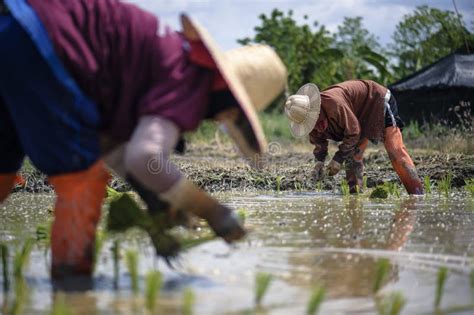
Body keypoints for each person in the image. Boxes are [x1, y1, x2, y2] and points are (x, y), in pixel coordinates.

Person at [0, 0, 287, 279]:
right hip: (40, 42)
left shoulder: (160, 57)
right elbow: (145, 158)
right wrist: (213, 212)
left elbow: (111, 147)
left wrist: (155, 200)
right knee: (81, 179)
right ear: (231, 107)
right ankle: (73, 290)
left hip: (12, 24)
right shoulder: (187, 80)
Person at [284, 80, 423, 195]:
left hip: (375, 100)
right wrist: (319, 162)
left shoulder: (334, 104)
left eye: (316, 120)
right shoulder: (311, 126)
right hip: (356, 117)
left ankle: (417, 194)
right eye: (311, 124)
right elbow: (319, 143)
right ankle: (355, 198)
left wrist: (337, 159)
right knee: (352, 160)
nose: (316, 127)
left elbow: (353, 132)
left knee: (394, 149)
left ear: (317, 109)